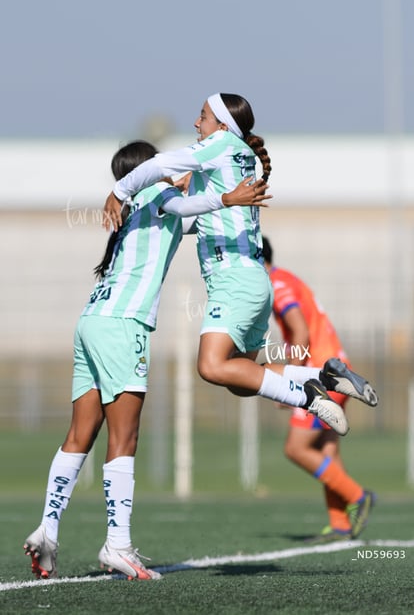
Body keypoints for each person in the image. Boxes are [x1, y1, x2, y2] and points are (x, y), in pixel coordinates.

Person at [23, 140, 271, 581]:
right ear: (148, 171)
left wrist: (239, 193)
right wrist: (232, 194)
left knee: (80, 434)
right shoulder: (159, 196)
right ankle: (117, 545)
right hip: (123, 325)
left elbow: (201, 219)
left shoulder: (138, 206)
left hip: (92, 319)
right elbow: (201, 205)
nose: (174, 167)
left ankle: (48, 529)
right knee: (125, 436)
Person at [103, 92, 378, 441]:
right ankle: (325, 378)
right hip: (253, 280)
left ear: (221, 125)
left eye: (201, 116)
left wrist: (119, 191)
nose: (195, 123)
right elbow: (193, 215)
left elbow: (160, 165)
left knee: (210, 366)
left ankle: (308, 398)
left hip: (233, 280)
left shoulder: (219, 144)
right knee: (242, 377)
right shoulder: (239, 155)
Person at [262, 236, 376, 542]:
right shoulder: (285, 278)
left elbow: (298, 329)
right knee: (327, 449)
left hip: (323, 375)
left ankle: (358, 496)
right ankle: (340, 525)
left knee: (296, 447)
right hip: (335, 367)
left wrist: (290, 381)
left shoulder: (276, 283)